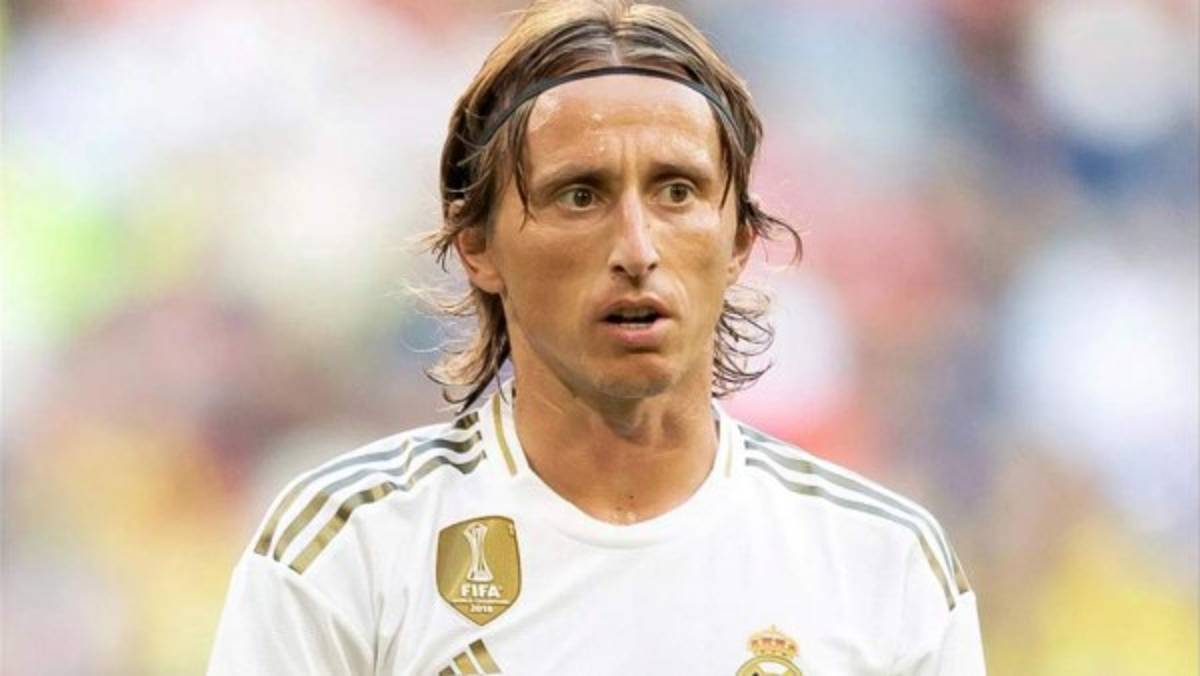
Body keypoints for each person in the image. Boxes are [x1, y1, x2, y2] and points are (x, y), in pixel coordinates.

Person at [208, 1, 986, 673]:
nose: (637, 249)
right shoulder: (349, 549)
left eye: (677, 191)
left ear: (739, 241)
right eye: (580, 196)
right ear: (478, 246)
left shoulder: (883, 561)